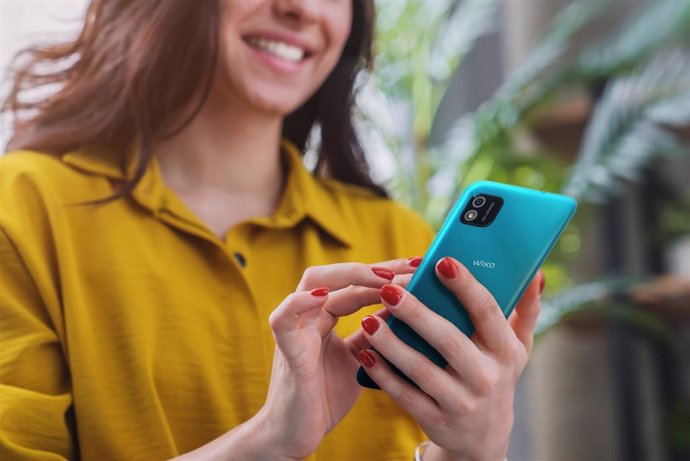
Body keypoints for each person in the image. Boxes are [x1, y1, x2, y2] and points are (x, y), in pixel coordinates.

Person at [0, 1, 544, 460]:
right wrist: (268, 441)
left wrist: (469, 451)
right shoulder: (24, 207)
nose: (302, 8)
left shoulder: (392, 233)